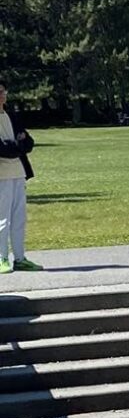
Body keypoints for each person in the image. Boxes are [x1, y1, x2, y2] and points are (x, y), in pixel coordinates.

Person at [0, 80, 39, 275]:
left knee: (19, 218)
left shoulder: (12, 116)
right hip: (2, 176)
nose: (2, 95)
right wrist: (16, 145)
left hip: (19, 173)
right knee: (2, 219)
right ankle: (1, 258)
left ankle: (20, 258)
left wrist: (15, 145)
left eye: (3, 91)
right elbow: (3, 150)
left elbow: (29, 142)